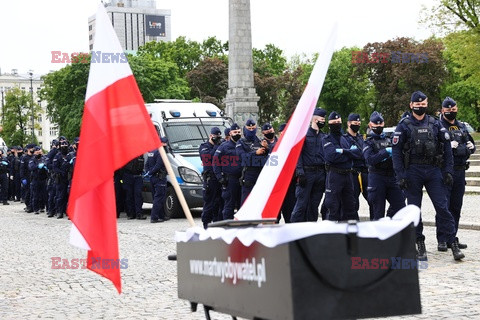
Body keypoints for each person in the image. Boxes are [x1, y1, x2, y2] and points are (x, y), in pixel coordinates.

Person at [392, 91, 464, 261]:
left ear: (427, 104)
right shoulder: (403, 125)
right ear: (411, 105)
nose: (420, 106)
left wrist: (447, 171)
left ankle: (452, 242)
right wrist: (401, 175)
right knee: (414, 209)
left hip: (433, 170)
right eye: (417, 104)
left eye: (423, 104)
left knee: (442, 207)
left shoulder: (434, 123)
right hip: (413, 170)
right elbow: (396, 153)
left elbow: (447, 149)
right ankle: (419, 243)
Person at [437, 97, 475, 251]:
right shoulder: (438, 126)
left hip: (460, 170)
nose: (451, 112)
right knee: (443, 206)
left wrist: (470, 148)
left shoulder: (461, 126)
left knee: (456, 206)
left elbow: (470, 146)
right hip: (445, 171)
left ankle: (452, 237)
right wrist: (446, 147)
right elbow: (436, 148)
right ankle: (442, 238)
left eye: (453, 109)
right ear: (442, 110)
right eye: (448, 109)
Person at [363, 111, 405, 220]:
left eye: (380, 124)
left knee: (400, 207)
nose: (378, 126)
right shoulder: (368, 142)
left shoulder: (389, 139)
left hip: (392, 177)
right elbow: (370, 160)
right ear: (370, 125)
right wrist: (385, 152)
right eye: (375, 125)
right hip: (377, 177)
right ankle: (376, 236)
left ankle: (390, 226)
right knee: (377, 212)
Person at [290, 108, 327, 222]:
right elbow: (298, 154)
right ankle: (293, 231)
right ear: (315, 119)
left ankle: (311, 233)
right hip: (307, 173)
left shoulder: (324, 136)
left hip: (320, 174)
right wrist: (300, 172)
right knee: (301, 205)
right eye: (322, 119)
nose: (324, 121)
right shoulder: (303, 135)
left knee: (314, 206)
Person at [322, 111, 359, 221]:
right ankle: (331, 235)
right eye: (334, 122)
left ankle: (348, 235)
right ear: (329, 124)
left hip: (348, 176)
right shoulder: (326, 139)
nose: (337, 124)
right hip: (335, 175)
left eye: (339, 122)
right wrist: (349, 153)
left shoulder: (347, 138)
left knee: (350, 207)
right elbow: (332, 157)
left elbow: (358, 154)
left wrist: (343, 151)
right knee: (332, 207)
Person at [343, 113, 370, 219]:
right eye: (355, 123)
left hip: (364, 172)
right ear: (349, 123)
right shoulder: (344, 139)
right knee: (352, 203)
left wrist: (356, 152)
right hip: (352, 173)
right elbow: (349, 154)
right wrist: (357, 153)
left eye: (359, 123)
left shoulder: (361, 138)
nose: (357, 125)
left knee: (372, 200)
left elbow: (365, 153)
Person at [236, 119, 270, 204]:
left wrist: (266, 149)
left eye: (253, 128)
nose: (251, 130)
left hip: (260, 175)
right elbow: (242, 158)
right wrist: (255, 153)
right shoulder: (241, 142)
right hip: (248, 175)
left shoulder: (260, 141)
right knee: (246, 203)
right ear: (245, 128)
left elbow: (266, 159)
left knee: (260, 203)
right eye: (249, 128)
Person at [213, 123, 243, 220]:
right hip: (230, 180)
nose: (237, 134)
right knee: (229, 206)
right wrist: (219, 177)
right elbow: (215, 161)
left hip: (242, 180)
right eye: (235, 132)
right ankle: (227, 230)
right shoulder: (224, 146)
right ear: (230, 133)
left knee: (242, 206)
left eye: (239, 132)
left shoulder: (244, 145)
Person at [199, 127, 223, 228]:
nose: (217, 138)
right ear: (210, 136)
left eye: (218, 136)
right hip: (210, 179)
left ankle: (217, 224)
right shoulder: (204, 146)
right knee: (209, 203)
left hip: (219, 178)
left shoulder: (220, 145)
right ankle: (206, 225)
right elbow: (207, 158)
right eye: (215, 136)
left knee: (218, 203)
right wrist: (216, 147)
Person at [144, 138, 168, 223]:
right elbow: (158, 165)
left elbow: (146, 165)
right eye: (165, 143)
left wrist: (148, 172)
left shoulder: (151, 151)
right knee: (159, 198)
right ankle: (154, 217)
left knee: (157, 197)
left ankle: (161, 216)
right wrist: (151, 172)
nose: (166, 145)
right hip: (159, 178)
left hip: (153, 178)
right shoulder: (160, 152)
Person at [277, 123, 295, 223]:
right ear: (280, 133)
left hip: (290, 183)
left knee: (289, 213)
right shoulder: (275, 146)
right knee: (276, 215)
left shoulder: (293, 147)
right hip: (278, 184)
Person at [122, 153, 146, 220]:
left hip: (138, 176)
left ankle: (139, 213)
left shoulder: (140, 154)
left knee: (138, 194)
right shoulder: (126, 153)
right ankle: (131, 213)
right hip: (128, 176)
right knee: (129, 195)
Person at [52, 140, 71, 219]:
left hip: (69, 178)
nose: (64, 147)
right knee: (60, 196)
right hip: (61, 179)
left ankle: (69, 211)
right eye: (62, 145)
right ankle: (60, 211)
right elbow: (54, 167)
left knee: (69, 196)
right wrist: (61, 172)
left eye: (65, 145)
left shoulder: (70, 155)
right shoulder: (57, 156)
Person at [28, 146, 48, 214]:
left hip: (43, 178)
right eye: (37, 152)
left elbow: (47, 164)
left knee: (44, 194)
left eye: (40, 151)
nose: (39, 153)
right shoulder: (32, 159)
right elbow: (31, 167)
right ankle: (36, 209)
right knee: (35, 195)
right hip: (35, 179)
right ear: (35, 152)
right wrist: (38, 166)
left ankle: (42, 207)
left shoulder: (44, 158)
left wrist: (45, 166)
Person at [45, 140, 59, 217]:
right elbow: (48, 164)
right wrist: (54, 167)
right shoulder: (51, 153)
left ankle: (58, 210)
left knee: (59, 195)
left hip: (59, 176)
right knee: (51, 195)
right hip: (52, 175)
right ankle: (51, 210)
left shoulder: (61, 152)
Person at [20, 144, 35, 212]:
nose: (33, 150)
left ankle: (33, 205)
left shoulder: (34, 157)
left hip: (34, 177)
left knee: (34, 192)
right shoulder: (24, 158)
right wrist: (23, 178)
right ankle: (28, 205)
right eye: (32, 148)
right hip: (27, 177)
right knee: (28, 192)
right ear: (29, 149)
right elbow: (22, 169)